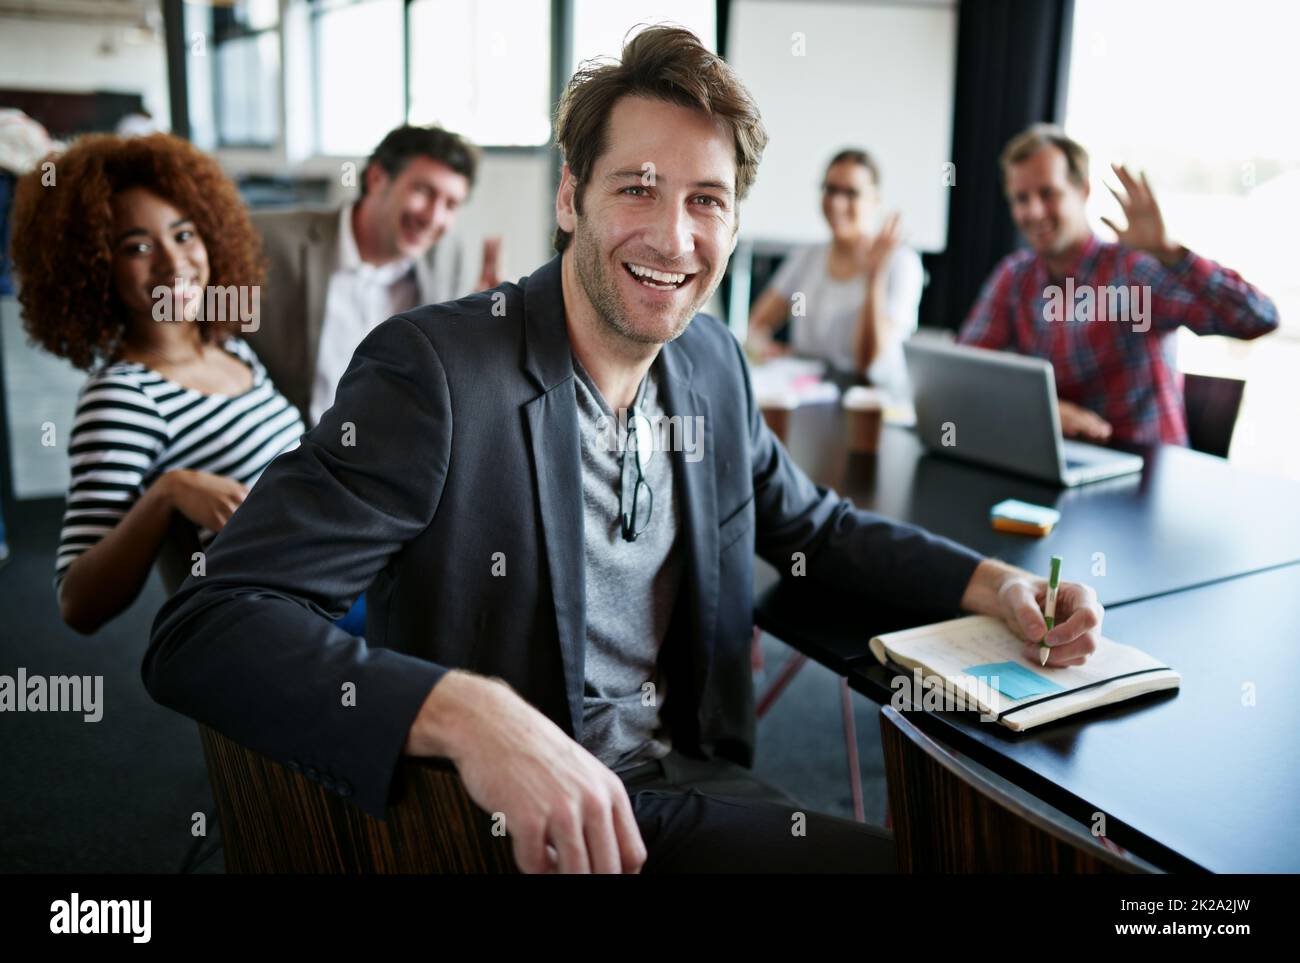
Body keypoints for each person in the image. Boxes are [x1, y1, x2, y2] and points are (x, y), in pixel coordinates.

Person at [146, 27, 1103, 874]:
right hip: (519, 824)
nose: (673, 234)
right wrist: (466, 713)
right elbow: (209, 625)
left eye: (707, 200)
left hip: (684, 777)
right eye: (636, 187)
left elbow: (815, 525)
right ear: (570, 195)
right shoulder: (434, 372)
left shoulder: (711, 361)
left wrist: (992, 586)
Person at [10, 133, 305, 634]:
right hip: (283, 624)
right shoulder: (122, 399)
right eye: (138, 247)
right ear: (95, 268)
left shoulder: (227, 345)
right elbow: (77, 603)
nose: (173, 263)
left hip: (330, 578)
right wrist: (166, 493)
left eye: (184, 235)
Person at [958, 124, 1278, 446]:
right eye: (1021, 199)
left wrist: (1170, 253)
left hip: (1145, 470)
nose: (1033, 211)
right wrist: (1043, 409)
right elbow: (964, 370)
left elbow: (1258, 319)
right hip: (1059, 460)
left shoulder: (1134, 271)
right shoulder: (1015, 277)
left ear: (1082, 190)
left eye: (1047, 193)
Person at [247, 125, 502, 426]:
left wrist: (480, 330)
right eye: (423, 191)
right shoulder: (266, 240)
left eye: (450, 204)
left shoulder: (445, 259)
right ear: (377, 178)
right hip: (294, 453)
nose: (433, 218)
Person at [746, 148, 923, 398]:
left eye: (851, 193)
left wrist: (874, 277)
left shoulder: (901, 264)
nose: (837, 203)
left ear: (875, 200)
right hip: (812, 396)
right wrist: (761, 346)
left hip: (870, 403)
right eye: (830, 190)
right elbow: (758, 323)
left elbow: (868, 363)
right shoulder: (806, 257)